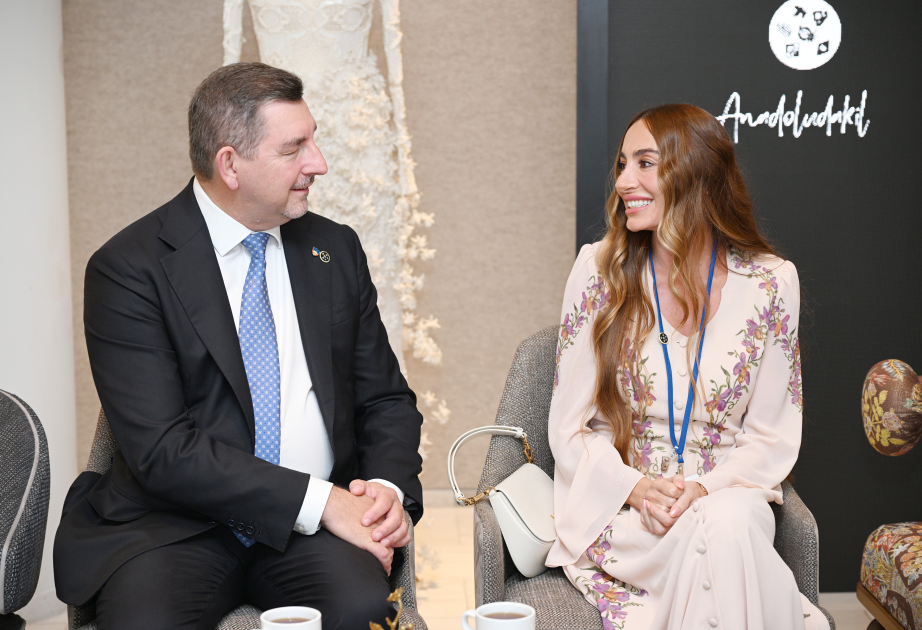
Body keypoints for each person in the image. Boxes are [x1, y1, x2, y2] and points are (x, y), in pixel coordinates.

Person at [53, 62, 423, 630]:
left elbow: (385, 399)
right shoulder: (128, 269)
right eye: (294, 149)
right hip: (175, 527)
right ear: (230, 164)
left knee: (363, 613)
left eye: (313, 141)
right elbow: (161, 449)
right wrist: (322, 501)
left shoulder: (334, 250)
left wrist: (383, 491)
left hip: (313, 536)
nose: (318, 163)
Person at [546, 104, 828, 630]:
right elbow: (570, 427)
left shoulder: (771, 283)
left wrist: (703, 489)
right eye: (622, 164)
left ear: (695, 173)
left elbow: (770, 437)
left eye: (645, 163)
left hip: (727, 498)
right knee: (727, 540)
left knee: (727, 523)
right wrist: (635, 487)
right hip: (629, 513)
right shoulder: (599, 270)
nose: (623, 181)